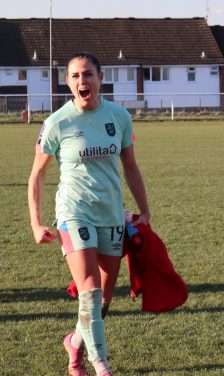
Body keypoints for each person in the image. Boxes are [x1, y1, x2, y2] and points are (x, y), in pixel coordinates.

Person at [28, 52, 150, 376]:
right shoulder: (56, 123)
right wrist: (36, 222)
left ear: (100, 77)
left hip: (110, 213)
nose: (83, 81)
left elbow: (131, 167)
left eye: (88, 74)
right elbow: (36, 175)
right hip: (73, 212)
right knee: (91, 289)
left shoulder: (120, 117)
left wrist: (146, 210)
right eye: (75, 76)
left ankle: (75, 344)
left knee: (103, 298)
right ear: (68, 82)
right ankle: (102, 367)